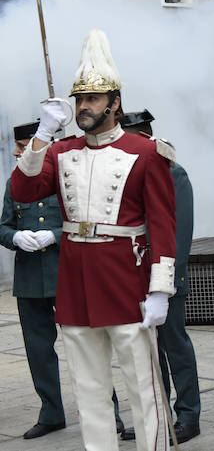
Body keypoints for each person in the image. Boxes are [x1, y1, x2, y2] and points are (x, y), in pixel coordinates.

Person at [10, 29, 176, 451]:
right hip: (75, 283)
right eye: (79, 100)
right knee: (90, 390)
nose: (83, 107)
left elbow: (162, 225)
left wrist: (160, 288)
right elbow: (23, 191)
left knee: (143, 387)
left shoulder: (147, 152)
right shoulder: (60, 150)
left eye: (93, 99)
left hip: (126, 280)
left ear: (114, 103)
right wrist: (42, 135)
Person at [118, 110, 201, 444]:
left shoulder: (172, 172)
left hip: (166, 279)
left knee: (175, 348)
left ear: (146, 136)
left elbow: (177, 234)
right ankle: (158, 415)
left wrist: (166, 281)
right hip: (135, 279)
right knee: (148, 354)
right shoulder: (129, 172)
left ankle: (188, 416)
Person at [0, 121, 66, 439]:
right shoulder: (15, 183)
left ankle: (108, 412)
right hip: (29, 281)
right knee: (38, 351)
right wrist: (16, 237)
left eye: (23, 146)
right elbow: (2, 227)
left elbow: (87, 223)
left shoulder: (66, 179)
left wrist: (54, 235)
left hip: (66, 276)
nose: (16, 152)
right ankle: (51, 413)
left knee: (86, 349)